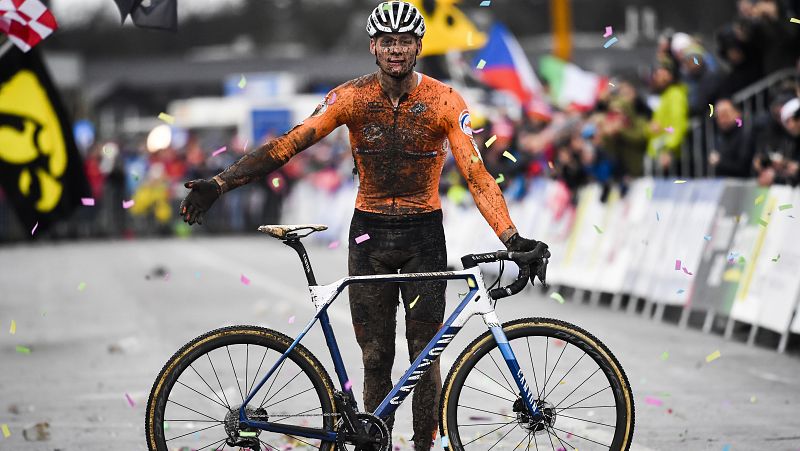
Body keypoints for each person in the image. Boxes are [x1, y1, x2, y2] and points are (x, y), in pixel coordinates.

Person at [177, 2, 550, 450]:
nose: (396, 50)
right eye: (388, 41)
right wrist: (219, 184)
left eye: (405, 41)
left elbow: (476, 174)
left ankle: (422, 447)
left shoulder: (445, 101)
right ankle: (378, 443)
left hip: (423, 236)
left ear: (418, 46)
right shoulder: (351, 97)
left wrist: (512, 237)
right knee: (375, 358)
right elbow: (288, 145)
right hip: (368, 236)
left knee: (425, 355)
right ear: (373, 46)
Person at [708, 99, 754, 178]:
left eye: (725, 114)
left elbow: (743, 166)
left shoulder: (745, 133)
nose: (722, 120)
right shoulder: (719, 136)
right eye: (718, 116)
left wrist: (720, 162)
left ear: (737, 113)